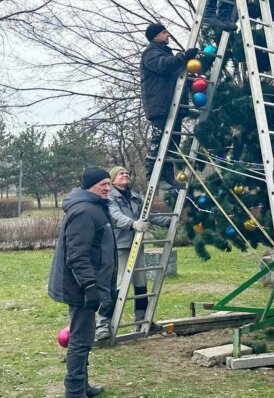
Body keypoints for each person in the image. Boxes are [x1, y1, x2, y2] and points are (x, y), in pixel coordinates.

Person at [48, 167, 117, 398]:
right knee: (80, 340)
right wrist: (89, 287)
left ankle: (83, 385)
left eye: (109, 183)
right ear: (90, 186)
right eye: (103, 184)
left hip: (89, 286)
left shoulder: (95, 207)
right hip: (81, 288)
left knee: (85, 337)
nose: (108, 188)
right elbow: (78, 255)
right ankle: (74, 391)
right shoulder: (85, 212)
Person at [95, 166, 173, 338]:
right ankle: (103, 325)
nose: (125, 175)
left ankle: (142, 321)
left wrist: (169, 221)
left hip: (137, 245)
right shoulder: (110, 197)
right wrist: (133, 224)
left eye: (127, 173)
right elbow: (115, 215)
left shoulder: (135, 197)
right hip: (120, 246)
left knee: (140, 284)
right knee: (118, 284)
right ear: (113, 179)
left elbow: (148, 215)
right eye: (121, 173)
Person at [141, 22, 199, 186]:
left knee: (173, 142)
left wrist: (193, 82)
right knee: (159, 141)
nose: (168, 35)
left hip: (174, 105)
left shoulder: (166, 53)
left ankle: (167, 176)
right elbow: (163, 67)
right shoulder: (151, 54)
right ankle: (153, 175)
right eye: (165, 32)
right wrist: (183, 57)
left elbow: (176, 79)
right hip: (160, 105)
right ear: (155, 36)